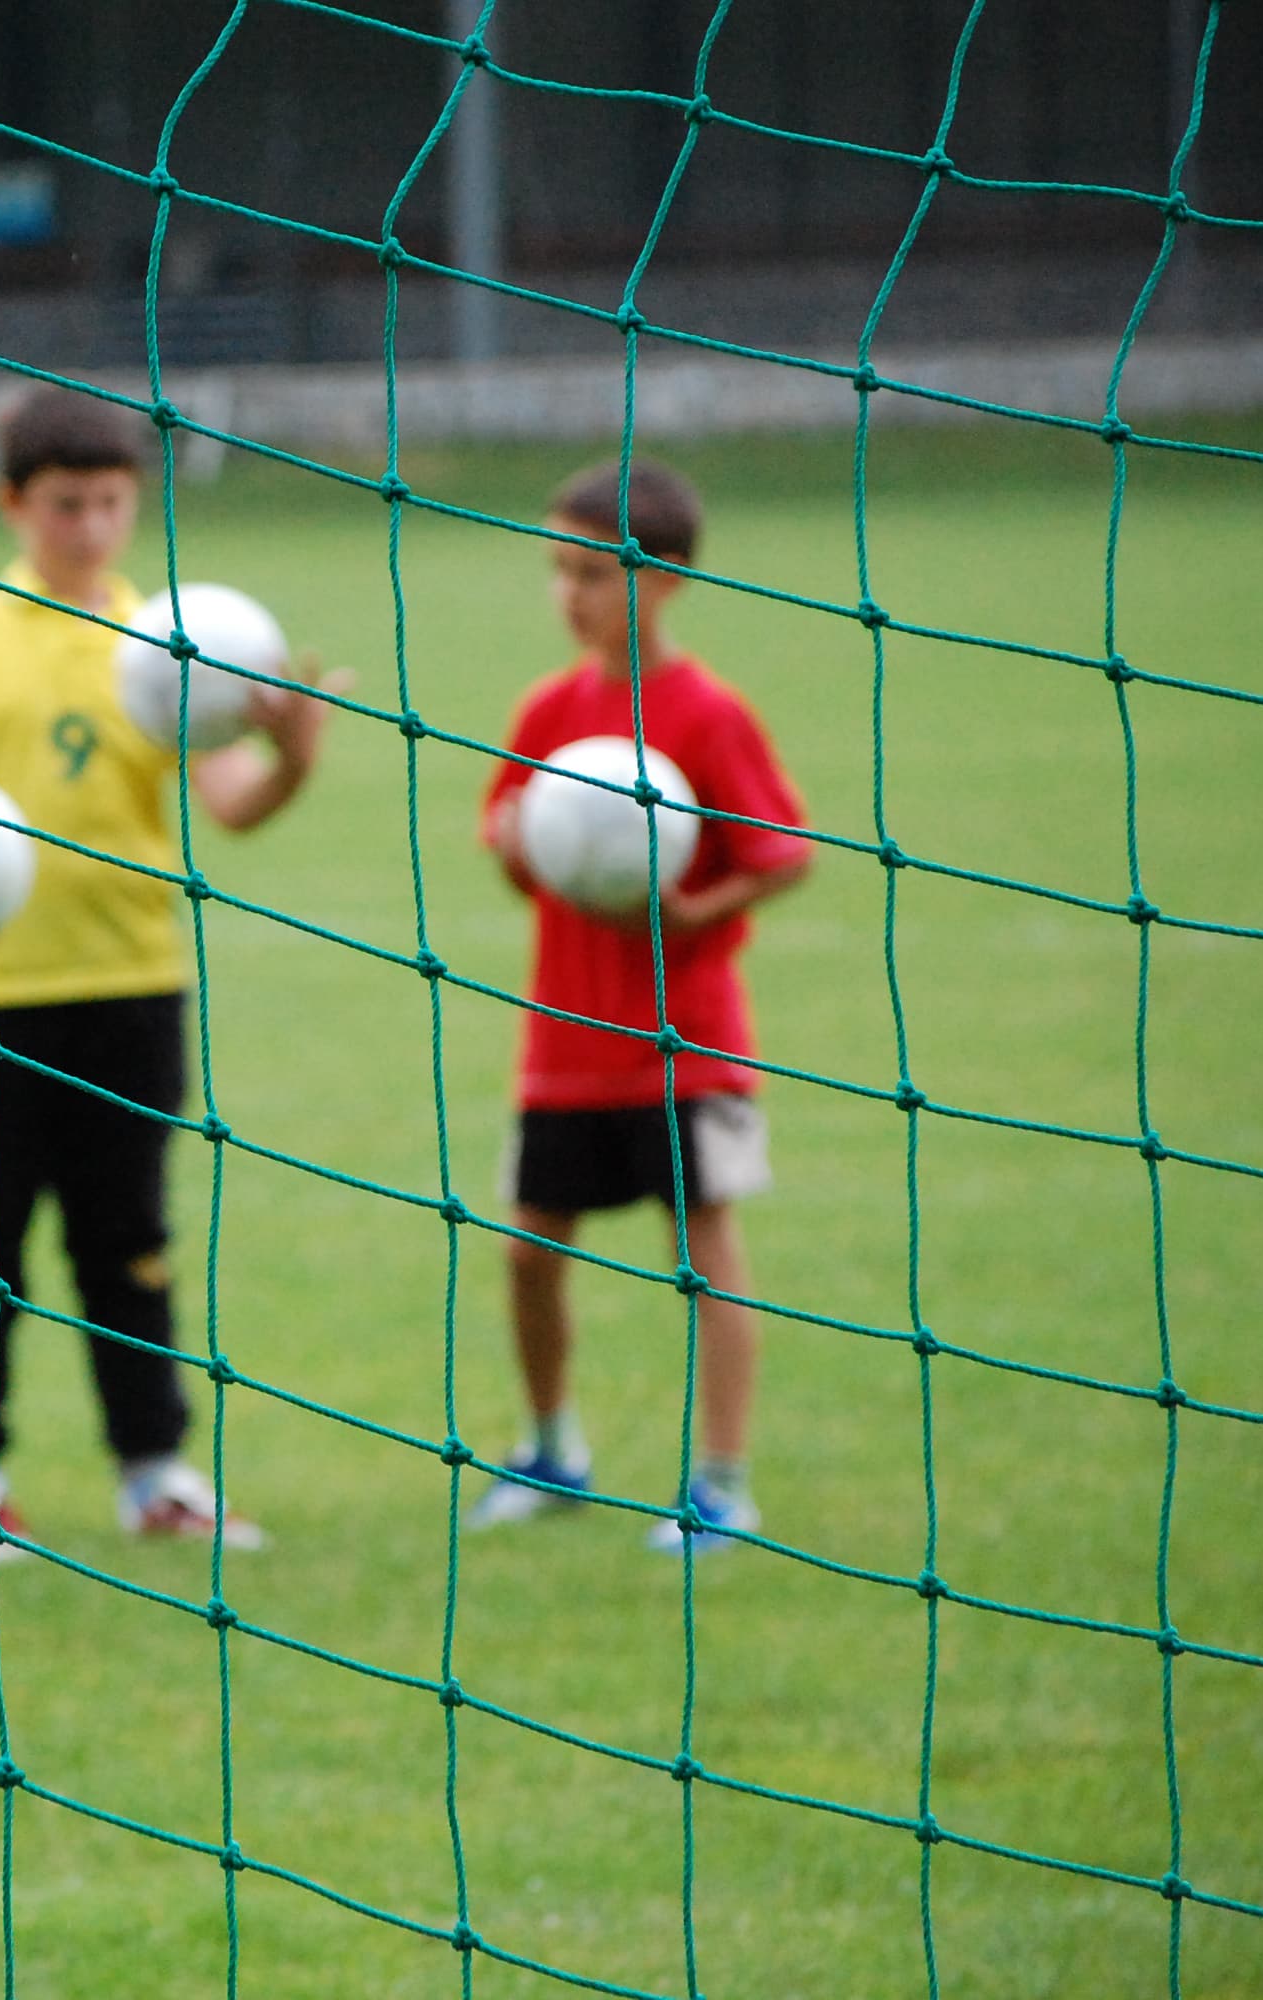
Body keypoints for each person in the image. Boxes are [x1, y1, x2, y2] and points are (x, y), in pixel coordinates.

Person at [0, 385, 334, 1558]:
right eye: (65, 505)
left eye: (109, 503)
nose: (91, 527)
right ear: (10, 503)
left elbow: (233, 807)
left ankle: (153, 1471)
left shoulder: (174, 642)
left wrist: (292, 757)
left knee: (130, 1244)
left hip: (134, 984)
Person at [469, 456, 813, 1554]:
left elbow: (780, 853)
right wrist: (519, 846)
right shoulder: (550, 709)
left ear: (662, 579)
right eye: (556, 570)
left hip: (683, 1044)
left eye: (591, 572)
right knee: (526, 1252)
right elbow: (507, 834)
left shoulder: (705, 715)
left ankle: (720, 1482)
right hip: (563, 1042)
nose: (568, 592)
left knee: (702, 1250)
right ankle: (550, 1447)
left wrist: (684, 904)